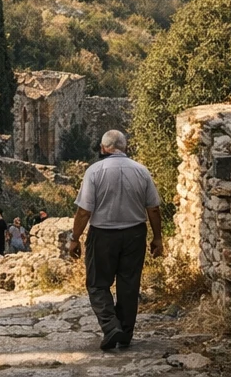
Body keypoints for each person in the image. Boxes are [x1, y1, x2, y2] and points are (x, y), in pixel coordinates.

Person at [70, 130, 162, 352]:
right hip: (135, 234)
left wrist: (75, 238)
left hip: (103, 235)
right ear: (125, 147)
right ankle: (125, 334)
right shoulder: (142, 171)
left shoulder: (94, 171)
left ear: (103, 148)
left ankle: (111, 327)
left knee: (97, 283)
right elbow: (153, 208)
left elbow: (84, 211)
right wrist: (158, 237)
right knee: (129, 285)